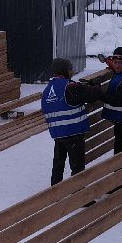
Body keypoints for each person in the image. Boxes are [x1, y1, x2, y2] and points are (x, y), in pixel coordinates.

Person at [40, 56, 95, 186]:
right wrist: (95, 86)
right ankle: (80, 196)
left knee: (58, 165)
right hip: (73, 133)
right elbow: (91, 95)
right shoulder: (69, 87)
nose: (72, 72)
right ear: (65, 71)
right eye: (70, 69)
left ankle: (55, 192)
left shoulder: (48, 89)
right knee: (77, 167)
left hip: (58, 135)